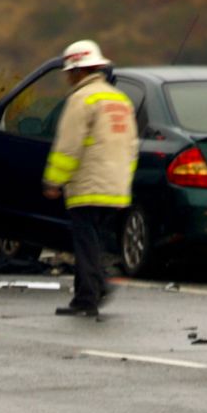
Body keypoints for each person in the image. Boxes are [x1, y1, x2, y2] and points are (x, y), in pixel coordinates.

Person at [42, 39, 138, 317]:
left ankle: (88, 298)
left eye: (69, 72)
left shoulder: (81, 99)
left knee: (85, 244)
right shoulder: (120, 100)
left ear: (78, 71)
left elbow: (68, 146)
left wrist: (54, 180)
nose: (68, 78)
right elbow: (132, 147)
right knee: (95, 244)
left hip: (88, 186)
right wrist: (123, 179)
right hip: (116, 188)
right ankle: (95, 288)